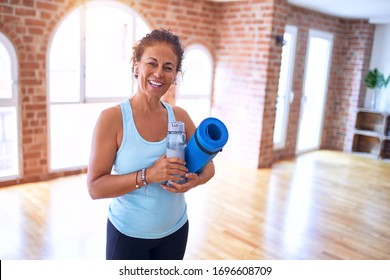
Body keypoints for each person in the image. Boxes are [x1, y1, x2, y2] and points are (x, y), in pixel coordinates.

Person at [87, 28, 215, 260]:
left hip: (175, 230)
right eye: (151, 63)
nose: (159, 73)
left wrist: (195, 182)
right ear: (136, 66)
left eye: (168, 67)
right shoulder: (112, 119)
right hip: (128, 235)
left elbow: (209, 167)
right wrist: (148, 175)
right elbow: (95, 188)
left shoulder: (181, 117)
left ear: (175, 75)